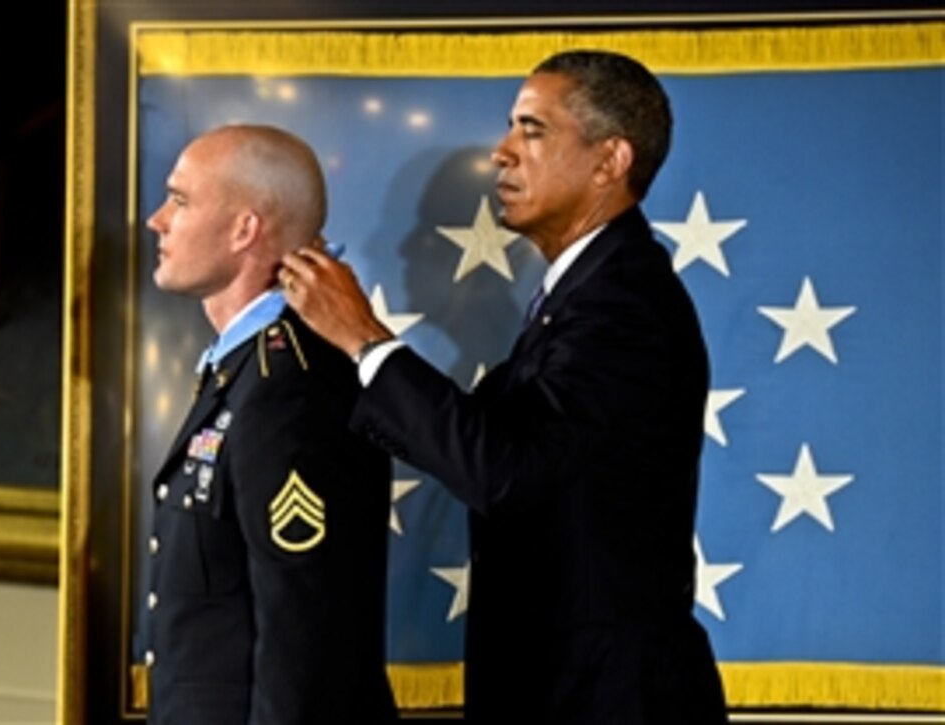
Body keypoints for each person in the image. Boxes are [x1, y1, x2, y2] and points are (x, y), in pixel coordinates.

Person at [279, 50, 729, 723]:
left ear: (610, 161)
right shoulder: (581, 294)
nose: (502, 152)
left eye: (533, 130)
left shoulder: (622, 305)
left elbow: (506, 469)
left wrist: (365, 337)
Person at [143, 124, 398, 724]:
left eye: (179, 201)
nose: (157, 219)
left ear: (244, 229)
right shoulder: (246, 368)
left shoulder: (290, 388)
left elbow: (303, 644)